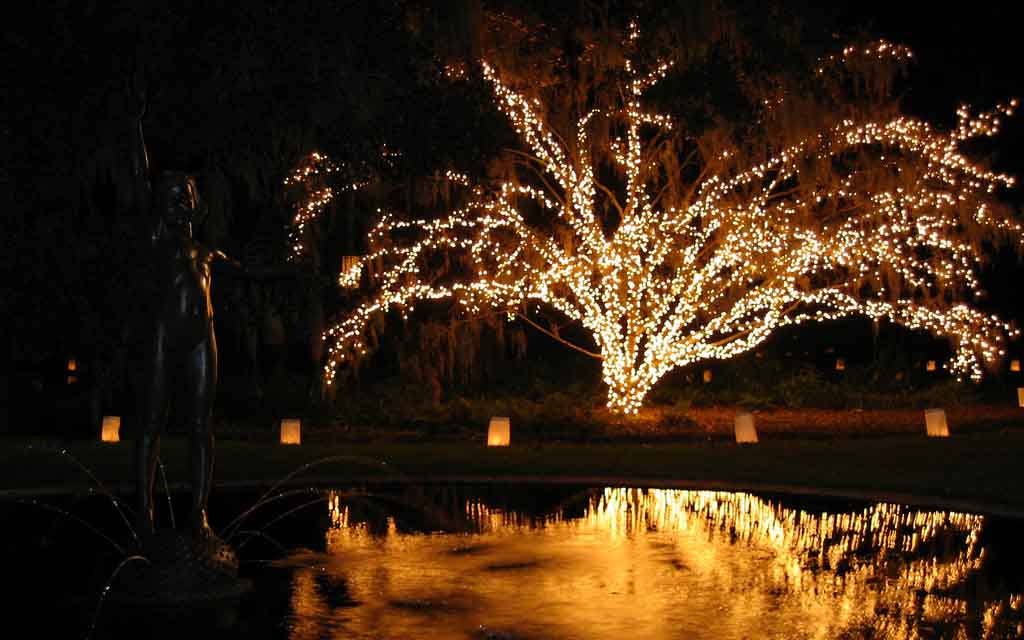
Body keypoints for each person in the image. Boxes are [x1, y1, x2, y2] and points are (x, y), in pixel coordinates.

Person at [135, 169, 237, 538]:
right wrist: (134, 128)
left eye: (188, 196)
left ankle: (199, 513)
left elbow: (252, 273)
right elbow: (137, 179)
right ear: (160, 204)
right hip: (165, 336)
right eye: (174, 196)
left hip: (201, 339)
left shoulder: (206, 252)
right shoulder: (154, 242)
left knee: (201, 425)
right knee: (151, 423)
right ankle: (144, 514)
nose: (183, 203)